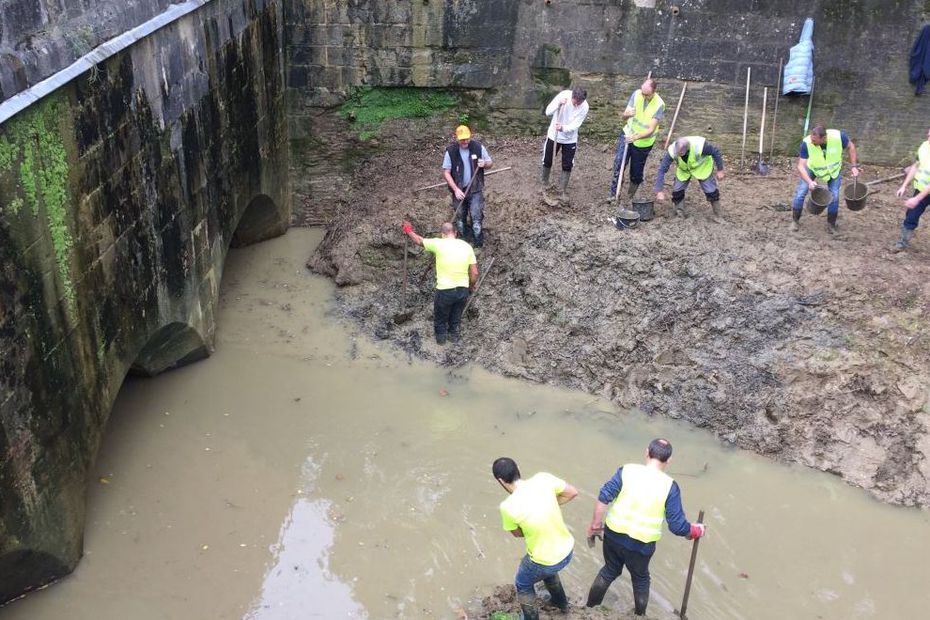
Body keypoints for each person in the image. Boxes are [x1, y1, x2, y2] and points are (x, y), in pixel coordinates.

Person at [584, 439, 705, 616]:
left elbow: (604, 497)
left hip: (613, 535)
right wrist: (696, 530)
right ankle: (640, 615)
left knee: (609, 570)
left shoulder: (626, 470)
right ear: (669, 460)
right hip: (641, 545)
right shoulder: (670, 486)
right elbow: (678, 526)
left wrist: (595, 526)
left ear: (646, 452)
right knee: (640, 579)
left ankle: (589, 609)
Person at [493, 457, 578, 620]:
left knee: (523, 582)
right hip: (567, 551)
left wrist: (532, 520)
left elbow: (518, 533)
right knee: (547, 571)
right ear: (518, 467)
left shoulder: (507, 507)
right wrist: (547, 507)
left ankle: (531, 618)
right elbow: (572, 492)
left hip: (544, 561)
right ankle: (561, 604)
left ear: (501, 481)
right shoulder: (543, 479)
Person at [402, 221, 477, 344]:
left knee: (441, 318)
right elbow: (474, 273)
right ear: (456, 233)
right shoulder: (467, 247)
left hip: (445, 290)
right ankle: (454, 338)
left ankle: (441, 341)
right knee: (456, 317)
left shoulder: (438, 243)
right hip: (462, 290)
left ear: (442, 234)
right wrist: (471, 285)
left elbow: (418, 240)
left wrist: (408, 230)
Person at [791, 125, 860, 233]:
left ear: (823, 138)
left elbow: (851, 146)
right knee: (801, 192)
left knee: (834, 196)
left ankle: (831, 225)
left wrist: (854, 166)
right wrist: (809, 182)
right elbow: (800, 166)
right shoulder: (807, 143)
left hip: (833, 171)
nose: (812, 141)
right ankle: (795, 221)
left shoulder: (839, 137)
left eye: (815, 140)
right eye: (811, 138)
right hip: (813, 168)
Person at [608, 78, 665, 203]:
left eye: (646, 94)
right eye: (642, 92)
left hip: (643, 143)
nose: (643, 96)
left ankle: (631, 196)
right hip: (627, 133)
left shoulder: (659, 104)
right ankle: (613, 193)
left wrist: (635, 137)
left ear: (653, 92)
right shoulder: (636, 94)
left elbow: (650, 129)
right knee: (618, 163)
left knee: (636, 172)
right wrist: (627, 114)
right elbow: (624, 117)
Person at [442, 125, 492, 247]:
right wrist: (456, 189)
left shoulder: (478, 147)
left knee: (476, 218)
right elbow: (446, 172)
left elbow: (490, 163)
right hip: (458, 190)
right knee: (460, 219)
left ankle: (478, 244)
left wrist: (484, 163)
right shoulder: (451, 151)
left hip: (475, 189)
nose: (465, 142)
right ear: (457, 138)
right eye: (462, 139)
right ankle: (463, 242)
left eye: (467, 139)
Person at [655, 136, 725, 219]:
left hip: (702, 167)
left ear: (687, 149)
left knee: (711, 191)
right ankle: (679, 212)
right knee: (677, 190)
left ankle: (718, 214)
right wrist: (659, 190)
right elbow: (662, 169)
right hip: (684, 170)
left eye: (680, 153)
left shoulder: (701, 146)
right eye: (677, 152)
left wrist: (720, 170)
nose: (677, 154)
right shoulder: (672, 151)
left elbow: (715, 152)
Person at [541, 86, 589, 206]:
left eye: (580, 103)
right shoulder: (563, 96)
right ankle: (544, 184)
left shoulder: (585, 106)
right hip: (554, 135)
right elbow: (547, 112)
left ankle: (561, 190)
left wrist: (563, 128)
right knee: (547, 160)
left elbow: (576, 124)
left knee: (567, 165)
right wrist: (558, 104)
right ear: (572, 96)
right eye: (575, 102)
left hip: (570, 139)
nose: (577, 105)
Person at [893, 128, 930, 252]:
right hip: (921, 189)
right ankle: (903, 241)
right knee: (911, 214)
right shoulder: (924, 146)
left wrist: (917, 199)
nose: (929, 138)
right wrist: (904, 185)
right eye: (928, 135)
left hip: (924, 192)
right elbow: (916, 166)